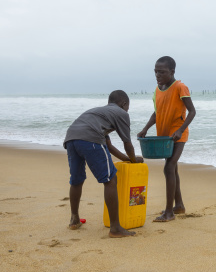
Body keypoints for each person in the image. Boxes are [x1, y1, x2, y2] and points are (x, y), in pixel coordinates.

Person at [63, 90, 143, 238]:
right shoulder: (121, 113)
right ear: (124, 103)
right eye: (128, 107)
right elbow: (128, 144)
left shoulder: (99, 113)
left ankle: (74, 219)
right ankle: (115, 228)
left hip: (71, 138)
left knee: (76, 180)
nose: (127, 110)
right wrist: (133, 160)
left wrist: (127, 159)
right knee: (111, 180)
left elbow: (109, 146)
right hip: (90, 138)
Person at [137, 56, 196, 222]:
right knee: (173, 169)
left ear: (172, 71)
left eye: (161, 72)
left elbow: (192, 112)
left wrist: (180, 130)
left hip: (178, 135)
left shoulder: (180, 87)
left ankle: (169, 212)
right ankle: (179, 205)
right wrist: (145, 129)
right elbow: (156, 113)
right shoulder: (158, 90)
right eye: (155, 71)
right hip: (164, 137)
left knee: (169, 168)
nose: (157, 74)